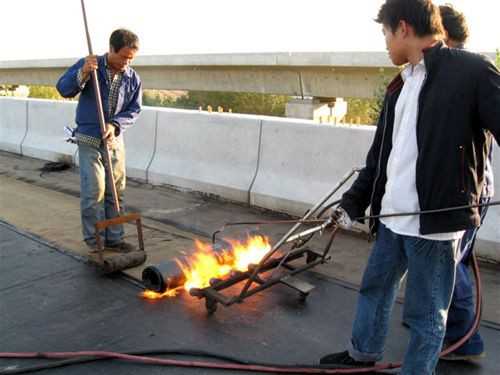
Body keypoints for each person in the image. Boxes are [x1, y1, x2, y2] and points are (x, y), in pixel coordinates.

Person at [318, 1, 500, 374]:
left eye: (385, 33)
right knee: (375, 289)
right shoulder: (400, 84)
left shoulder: (472, 71)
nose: (384, 43)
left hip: (434, 228)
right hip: (392, 219)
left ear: (403, 28)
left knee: (425, 316)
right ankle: (361, 354)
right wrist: (351, 205)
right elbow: (382, 158)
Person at [437, 4, 493, 361]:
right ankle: (440, 323)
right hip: (457, 190)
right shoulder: (445, 74)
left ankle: (463, 340)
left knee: (451, 264)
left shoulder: (472, 73)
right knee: (450, 261)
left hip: (466, 193)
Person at [56, 29, 142, 252]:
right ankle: (96, 242)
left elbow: (134, 109)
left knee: (117, 191)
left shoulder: (133, 78)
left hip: (114, 140)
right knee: (95, 191)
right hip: (89, 139)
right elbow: (63, 89)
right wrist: (83, 72)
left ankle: (115, 238)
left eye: (131, 58)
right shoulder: (90, 65)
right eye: (123, 56)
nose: (126, 62)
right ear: (111, 49)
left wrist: (115, 125)